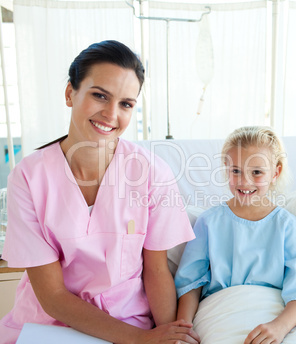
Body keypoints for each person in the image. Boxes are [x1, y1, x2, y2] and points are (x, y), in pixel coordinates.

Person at [0, 40, 200, 344]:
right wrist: (141, 340)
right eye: (99, 96)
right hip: (50, 327)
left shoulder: (151, 172)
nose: (111, 114)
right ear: (70, 93)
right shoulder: (27, 178)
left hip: (128, 318)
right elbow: (52, 295)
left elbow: (156, 271)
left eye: (126, 104)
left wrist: (167, 335)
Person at [174, 126, 296, 344]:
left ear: (276, 172)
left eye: (256, 172)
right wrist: (183, 330)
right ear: (226, 169)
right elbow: (190, 284)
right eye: (236, 171)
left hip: (273, 316)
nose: (244, 182)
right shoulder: (209, 222)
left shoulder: (286, 226)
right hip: (221, 312)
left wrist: (279, 327)